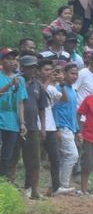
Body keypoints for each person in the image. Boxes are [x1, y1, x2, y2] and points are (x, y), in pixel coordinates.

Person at [8, 55, 46, 199]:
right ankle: (9, 188)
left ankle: (33, 190)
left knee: (34, 160)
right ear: (22, 68)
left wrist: (42, 127)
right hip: (13, 126)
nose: (32, 70)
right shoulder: (16, 82)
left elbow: (42, 108)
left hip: (32, 127)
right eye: (29, 67)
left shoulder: (38, 86)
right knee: (12, 158)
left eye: (34, 67)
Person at [52, 62, 80, 193]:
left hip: (71, 128)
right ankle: (63, 184)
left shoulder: (73, 90)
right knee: (72, 155)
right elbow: (55, 109)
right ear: (64, 74)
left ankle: (58, 185)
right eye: (72, 73)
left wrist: (78, 130)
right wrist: (57, 128)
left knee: (65, 157)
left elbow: (73, 112)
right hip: (63, 127)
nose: (74, 76)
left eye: (76, 74)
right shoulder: (59, 89)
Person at [0, 48, 27, 178]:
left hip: (12, 124)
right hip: (0, 121)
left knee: (7, 156)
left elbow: (21, 102)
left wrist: (22, 123)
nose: (12, 62)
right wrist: (10, 84)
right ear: (1, 60)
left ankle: (3, 183)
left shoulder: (20, 80)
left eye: (14, 59)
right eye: (8, 59)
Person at [38, 59, 62, 194]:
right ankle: (31, 187)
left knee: (55, 157)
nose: (49, 73)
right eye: (46, 70)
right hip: (36, 125)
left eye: (50, 70)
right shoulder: (34, 84)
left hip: (51, 125)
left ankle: (55, 186)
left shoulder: (53, 87)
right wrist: (49, 81)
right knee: (34, 159)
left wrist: (62, 83)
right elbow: (39, 96)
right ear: (38, 71)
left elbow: (64, 99)